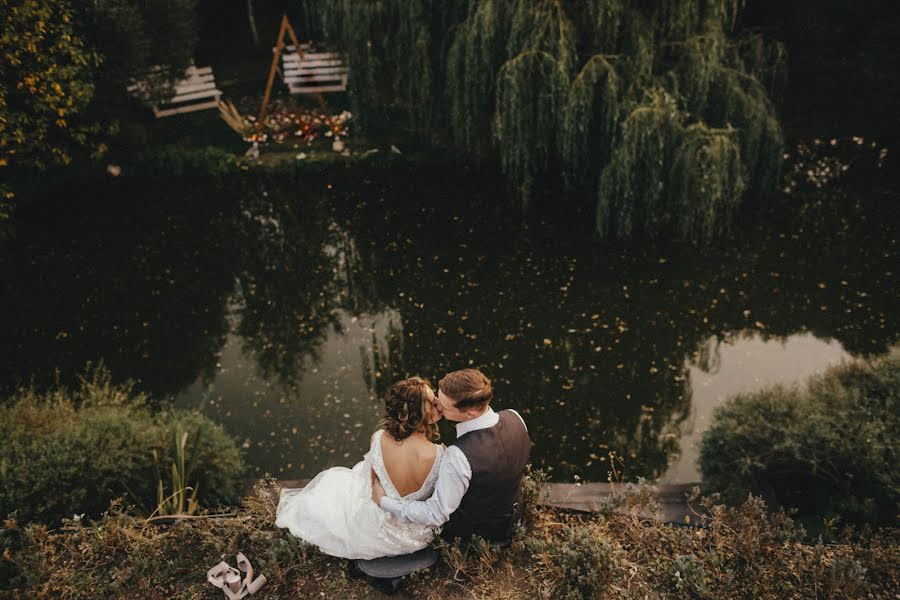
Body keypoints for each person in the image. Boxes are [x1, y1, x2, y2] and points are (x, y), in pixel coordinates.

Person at [275, 376, 444, 559]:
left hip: (375, 527)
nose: (437, 401)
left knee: (344, 482)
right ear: (421, 411)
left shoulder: (378, 438)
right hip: (416, 537)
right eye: (432, 399)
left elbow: (370, 483)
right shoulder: (440, 454)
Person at [372, 368, 531, 543]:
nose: (438, 406)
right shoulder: (516, 418)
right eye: (437, 398)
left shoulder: (458, 456)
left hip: (476, 535)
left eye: (444, 406)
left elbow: (435, 513)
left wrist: (383, 501)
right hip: (514, 517)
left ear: (470, 414)